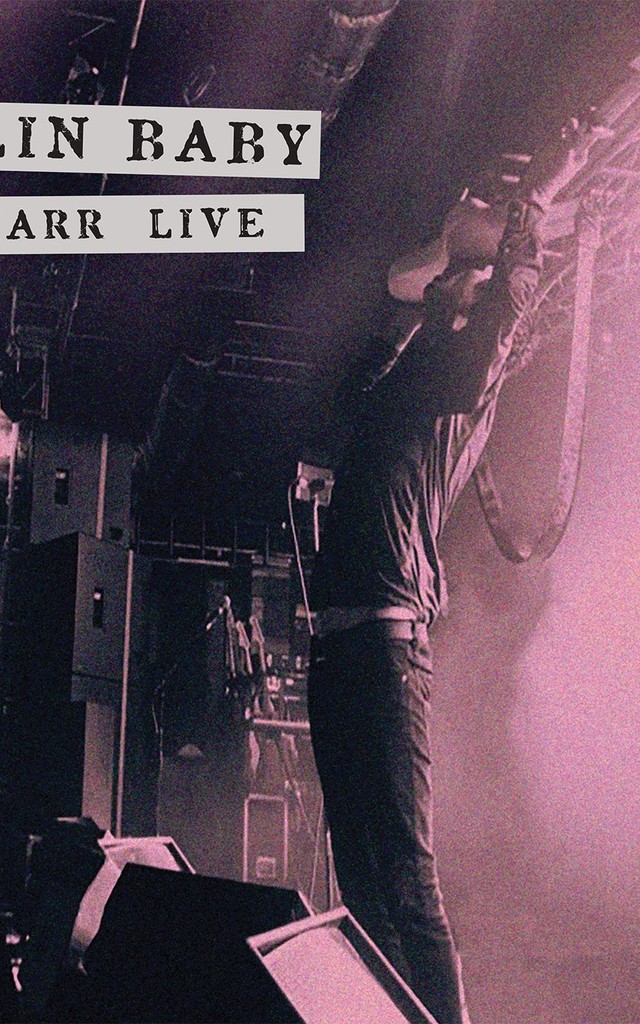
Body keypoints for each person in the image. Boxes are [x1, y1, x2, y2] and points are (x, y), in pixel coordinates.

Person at [307, 118, 607, 1024]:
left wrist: (534, 207)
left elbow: (506, 308)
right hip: (343, 653)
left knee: (406, 874)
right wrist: (435, 280)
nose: (450, 287)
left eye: (461, 284)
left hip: (385, 653)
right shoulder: (405, 378)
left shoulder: (457, 387)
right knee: (361, 879)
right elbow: (367, 366)